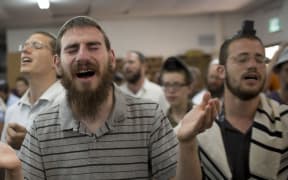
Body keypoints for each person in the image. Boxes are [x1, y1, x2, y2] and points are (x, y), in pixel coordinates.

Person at [0, 16, 219, 180]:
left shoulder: (150, 117)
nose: (83, 56)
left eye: (93, 47)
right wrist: (15, 171)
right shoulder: (40, 128)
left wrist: (187, 142)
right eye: (72, 49)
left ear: (111, 58)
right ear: (57, 64)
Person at [197, 20, 288, 179]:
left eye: (260, 59)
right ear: (221, 71)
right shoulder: (201, 126)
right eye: (242, 59)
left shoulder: (285, 121)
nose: (253, 65)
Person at [0, 31, 65, 151]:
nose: (25, 50)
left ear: (56, 60)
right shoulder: (12, 111)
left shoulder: (71, 103)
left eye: (36, 46)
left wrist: (31, 143)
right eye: (24, 46)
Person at [160, 56, 193, 128]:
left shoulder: (201, 117)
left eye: (176, 85)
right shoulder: (161, 123)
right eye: (166, 85)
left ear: (189, 88)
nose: (171, 90)